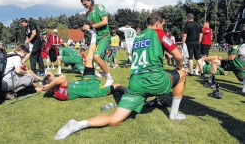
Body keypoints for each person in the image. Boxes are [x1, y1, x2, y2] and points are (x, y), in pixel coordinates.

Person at [54, 11, 187, 141]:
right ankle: (173, 114)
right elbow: (179, 56)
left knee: (115, 120)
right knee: (183, 74)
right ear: (158, 23)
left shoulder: (137, 37)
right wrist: (179, 66)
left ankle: (78, 124)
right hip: (154, 81)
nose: (163, 27)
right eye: (163, 25)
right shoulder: (159, 32)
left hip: (135, 83)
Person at [41, 35, 122, 101]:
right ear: (51, 85)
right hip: (93, 90)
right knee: (116, 86)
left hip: (86, 80)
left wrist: (46, 83)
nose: (55, 77)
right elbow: (63, 77)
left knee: (88, 59)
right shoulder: (60, 93)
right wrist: (49, 85)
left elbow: (49, 76)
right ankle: (129, 93)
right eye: (54, 78)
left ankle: (94, 35)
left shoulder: (54, 86)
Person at [81, 0, 113, 86]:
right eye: (83, 5)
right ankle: (93, 78)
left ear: (90, 0)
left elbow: (105, 21)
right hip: (96, 37)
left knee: (96, 56)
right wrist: (87, 29)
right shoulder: (87, 14)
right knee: (89, 58)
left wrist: (90, 26)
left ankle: (109, 77)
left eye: (85, 4)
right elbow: (93, 28)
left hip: (104, 36)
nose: (84, 6)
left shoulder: (99, 7)